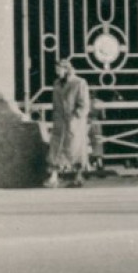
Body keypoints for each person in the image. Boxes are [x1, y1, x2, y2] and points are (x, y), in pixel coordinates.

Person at [46, 59, 91, 188]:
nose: (57, 73)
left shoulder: (79, 83)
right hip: (60, 122)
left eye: (59, 70)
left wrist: (75, 117)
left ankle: (78, 176)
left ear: (66, 69)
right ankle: (53, 177)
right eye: (56, 70)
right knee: (55, 149)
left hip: (74, 124)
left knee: (75, 150)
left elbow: (84, 104)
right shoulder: (57, 84)